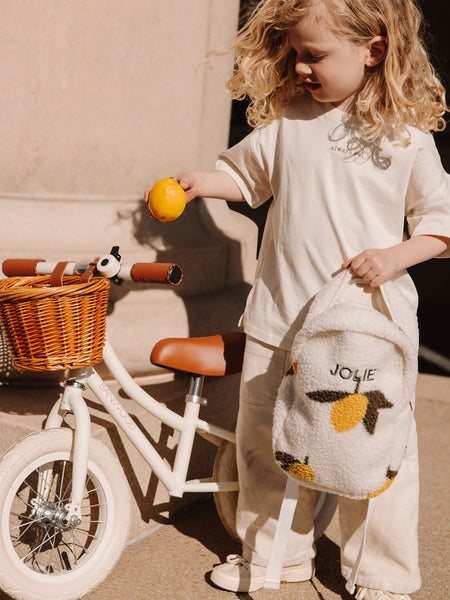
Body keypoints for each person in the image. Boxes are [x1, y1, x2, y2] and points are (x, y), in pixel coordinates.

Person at [146, 1, 450, 598]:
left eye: (315, 55)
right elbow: (247, 179)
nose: (302, 67)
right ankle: (275, 557)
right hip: (277, 318)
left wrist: (395, 257)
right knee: (266, 443)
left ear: (374, 50)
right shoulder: (288, 121)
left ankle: (383, 573)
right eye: (295, 55)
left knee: (373, 451)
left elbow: (441, 224)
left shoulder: (404, 137)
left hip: (364, 326)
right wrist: (201, 184)